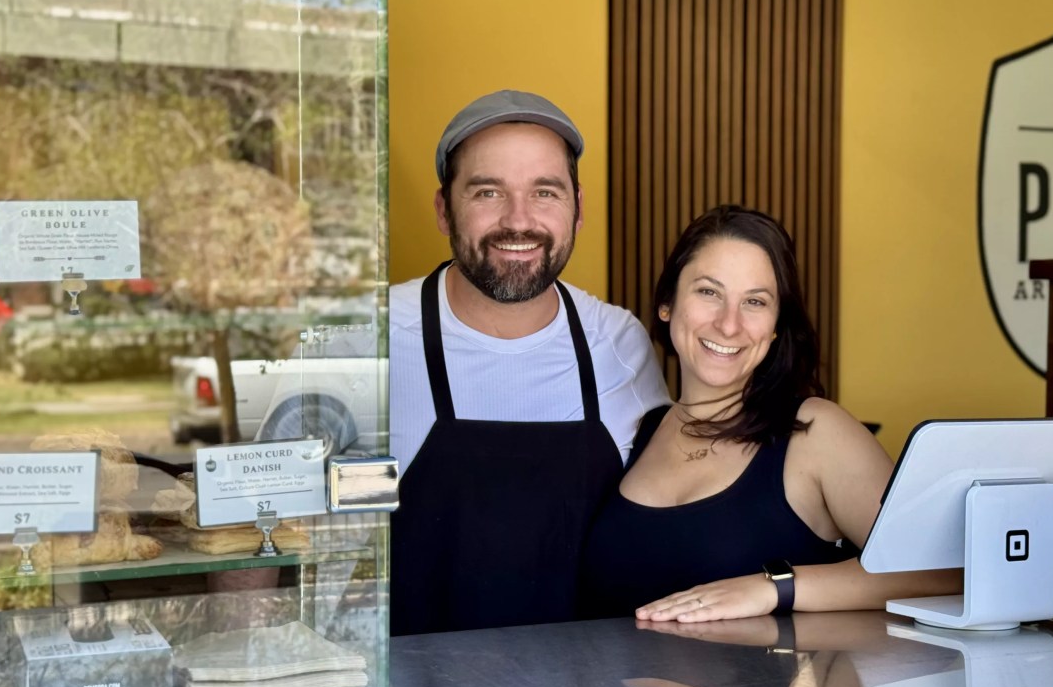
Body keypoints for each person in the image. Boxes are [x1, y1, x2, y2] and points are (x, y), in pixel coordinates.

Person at [579, 204, 960, 621]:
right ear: (667, 303)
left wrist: (774, 587)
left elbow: (944, 573)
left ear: (776, 325)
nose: (729, 324)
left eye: (755, 302)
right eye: (709, 292)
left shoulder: (815, 432)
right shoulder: (637, 428)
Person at [388, 90, 670, 636]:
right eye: (488, 191)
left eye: (545, 192)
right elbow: (271, 514)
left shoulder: (619, 343)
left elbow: (672, 516)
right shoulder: (369, 338)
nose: (519, 221)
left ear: (578, 209)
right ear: (444, 208)